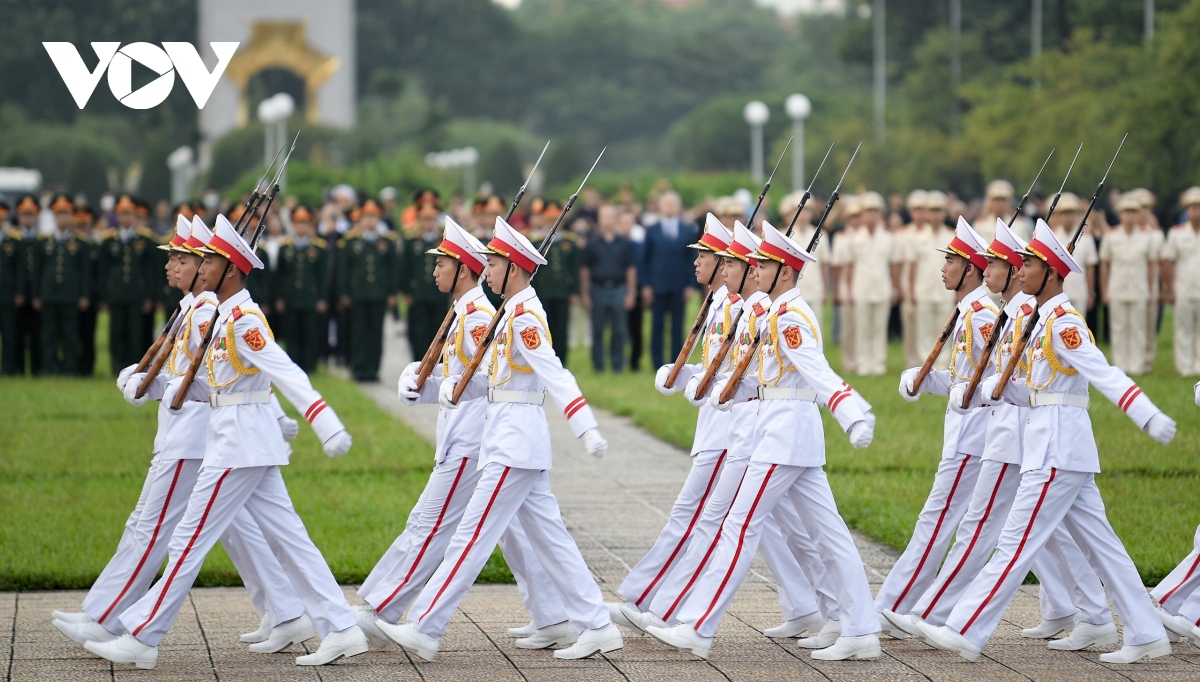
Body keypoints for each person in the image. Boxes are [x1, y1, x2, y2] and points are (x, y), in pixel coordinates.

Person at [87, 214, 368, 669]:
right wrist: (147, 385)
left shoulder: (243, 320)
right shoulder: (222, 316)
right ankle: (341, 627)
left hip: (237, 448)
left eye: (208, 263)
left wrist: (325, 421)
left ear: (230, 270)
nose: (198, 270)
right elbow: (210, 387)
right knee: (292, 541)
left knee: (189, 540)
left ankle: (141, 636)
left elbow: (285, 372)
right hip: (242, 444)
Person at [54, 215, 313, 658]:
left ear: (206, 268)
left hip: (193, 438)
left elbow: (229, 377)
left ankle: (107, 617)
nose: (171, 266)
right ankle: (288, 612)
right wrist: (140, 378)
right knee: (237, 528)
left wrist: (148, 386)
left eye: (183, 259)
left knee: (151, 527)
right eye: (172, 258)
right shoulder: (192, 310)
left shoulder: (211, 314)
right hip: (202, 436)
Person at [920, 218, 1177, 664]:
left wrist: (1146, 415)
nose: (1020, 270)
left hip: (1056, 449)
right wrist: (992, 391)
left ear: (1053, 273)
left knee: (1015, 542)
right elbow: (1042, 389)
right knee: (1104, 547)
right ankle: (1147, 632)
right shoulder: (1039, 321)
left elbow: (1102, 374)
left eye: (1030, 264)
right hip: (1056, 446)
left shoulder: (1063, 323)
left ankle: (965, 627)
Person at [379, 216, 621, 662]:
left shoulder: (526, 314)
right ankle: (598, 624)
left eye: (492, 264)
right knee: (551, 540)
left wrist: (585, 425)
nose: (485, 271)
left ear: (513, 268)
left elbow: (553, 370)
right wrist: (432, 388)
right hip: (509, 441)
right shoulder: (509, 313)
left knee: (470, 536)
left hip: (515, 441)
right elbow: (484, 381)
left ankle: (426, 626)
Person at [648, 221, 880, 661]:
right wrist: (713, 385)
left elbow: (815, 371)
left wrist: (852, 412)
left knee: (738, 527)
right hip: (783, 433)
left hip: (783, 435)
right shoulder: (773, 312)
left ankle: (698, 626)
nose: (753, 270)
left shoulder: (790, 316)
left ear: (785, 273)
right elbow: (761, 378)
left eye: (763, 265)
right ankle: (862, 629)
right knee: (830, 535)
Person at [887, 219, 1117, 653]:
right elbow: (970, 378)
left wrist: (963, 392)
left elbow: (1002, 382)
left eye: (993, 263)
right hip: (1009, 432)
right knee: (1045, 531)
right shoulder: (1000, 315)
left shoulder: (1002, 317)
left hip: (1007, 433)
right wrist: (928, 381)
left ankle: (935, 613)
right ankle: (1085, 613)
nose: (984, 268)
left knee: (988, 529)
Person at [339, 199, 401, 382]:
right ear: (360, 218)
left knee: (376, 333)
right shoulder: (350, 241)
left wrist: (392, 293)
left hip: (379, 294)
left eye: (374, 217)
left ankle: (373, 369)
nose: (370, 221)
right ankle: (359, 368)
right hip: (357, 294)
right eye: (367, 217)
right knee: (358, 333)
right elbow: (343, 270)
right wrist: (344, 293)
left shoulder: (387, 241)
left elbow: (393, 270)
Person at [840, 192, 902, 375]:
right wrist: (849, 290)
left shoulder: (889, 237)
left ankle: (878, 363)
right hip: (861, 287)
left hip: (882, 287)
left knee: (879, 328)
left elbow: (894, 266)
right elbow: (849, 267)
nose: (871, 215)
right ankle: (863, 363)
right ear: (863, 214)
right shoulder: (854, 238)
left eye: (875, 211)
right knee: (862, 327)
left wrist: (895, 288)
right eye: (867, 212)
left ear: (880, 214)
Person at [33, 194, 91, 375]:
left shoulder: (80, 242)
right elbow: (37, 271)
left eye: (66, 214)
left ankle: (69, 367)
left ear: (71, 216)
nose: (62, 218)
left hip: (70, 295)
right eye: (58, 214)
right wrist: (36, 294)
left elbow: (85, 272)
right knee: (49, 334)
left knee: (70, 334)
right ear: (54, 216)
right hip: (49, 294)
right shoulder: (44, 241)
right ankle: (49, 367)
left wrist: (84, 294)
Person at [99, 195, 157, 373]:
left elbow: (150, 271)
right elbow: (103, 270)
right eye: (122, 214)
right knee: (116, 332)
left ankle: (134, 367)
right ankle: (117, 366)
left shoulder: (145, 239)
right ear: (116, 216)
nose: (126, 218)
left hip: (136, 294)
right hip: (116, 294)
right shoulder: (109, 239)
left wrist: (149, 296)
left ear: (135, 215)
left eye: (129, 214)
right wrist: (104, 296)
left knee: (135, 333)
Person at [641, 191, 698, 368]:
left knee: (677, 327)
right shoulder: (652, 230)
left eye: (673, 204)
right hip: (657, 286)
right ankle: (657, 363)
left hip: (679, 286)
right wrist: (646, 285)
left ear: (679, 207)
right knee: (657, 326)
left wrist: (690, 285)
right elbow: (645, 260)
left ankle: (676, 362)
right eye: (666, 203)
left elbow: (692, 260)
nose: (669, 207)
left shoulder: (688, 230)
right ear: (660, 207)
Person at [1100, 193, 1154, 375]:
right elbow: (1104, 264)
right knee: (1119, 327)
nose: (1130, 216)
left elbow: (1151, 266)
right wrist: (1104, 290)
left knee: (1138, 328)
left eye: (1133, 212)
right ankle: (1121, 365)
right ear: (1120, 214)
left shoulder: (1147, 237)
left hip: (1139, 288)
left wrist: (1151, 289)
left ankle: (1137, 366)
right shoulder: (1111, 236)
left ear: (1139, 215)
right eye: (1126, 212)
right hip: (1117, 287)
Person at [580, 204, 636, 373]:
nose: (608, 220)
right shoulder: (592, 243)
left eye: (611, 216)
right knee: (597, 330)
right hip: (598, 289)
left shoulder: (624, 243)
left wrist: (631, 293)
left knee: (619, 331)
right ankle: (599, 366)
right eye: (604, 216)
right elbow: (584, 270)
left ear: (615, 219)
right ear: (599, 219)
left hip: (619, 289)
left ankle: (617, 365)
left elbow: (631, 269)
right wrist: (585, 294)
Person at [274, 206, 330, 373]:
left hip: (310, 298)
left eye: (304, 223)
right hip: (291, 297)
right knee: (292, 333)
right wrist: (279, 297)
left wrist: (322, 298)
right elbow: (279, 275)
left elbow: (324, 276)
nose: (301, 227)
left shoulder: (319, 247)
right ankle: (293, 363)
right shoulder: (285, 246)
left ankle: (310, 364)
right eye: (297, 223)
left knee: (310, 333)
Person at [910, 191, 959, 371]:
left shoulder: (952, 237)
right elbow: (913, 266)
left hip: (945, 290)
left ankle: (943, 364)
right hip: (924, 288)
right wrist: (911, 290)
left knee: (944, 329)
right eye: (932, 210)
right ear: (927, 213)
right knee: (924, 329)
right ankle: (926, 364)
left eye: (939, 210)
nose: (935, 214)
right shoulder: (918, 236)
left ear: (944, 213)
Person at [398, 192, 448, 364]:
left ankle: (437, 364)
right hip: (417, 293)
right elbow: (404, 268)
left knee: (438, 330)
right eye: (425, 219)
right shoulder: (410, 240)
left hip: (439, 293)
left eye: (431, 219)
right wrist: (406, 291)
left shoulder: (444, 240)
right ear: (418, 220)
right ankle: (419, 363)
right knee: (418, 331)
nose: (428, 223)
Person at [532, 201, 579, 366]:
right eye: (549, 219)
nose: (553, 222)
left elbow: (575, 268)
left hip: (562, 292)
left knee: (561, 329)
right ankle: (546, 362)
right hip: (543, 292)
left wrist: (575, 291)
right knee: (545, 329)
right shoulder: (537, 241)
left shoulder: (569, 241)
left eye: (556, 219)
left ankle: (561, 362)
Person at [1162, 186, 1200, 375]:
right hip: (1184, 286)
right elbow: (1168, 262)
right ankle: (1185, 367)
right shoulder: (1177, 233)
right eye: (1193, 207)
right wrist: (1170, 288)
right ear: (1186, 210)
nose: (1197, 211)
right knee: (1184, 328)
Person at [899, 190, 927, 367]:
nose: (919, 213)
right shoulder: (903, 233)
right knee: (909, 325)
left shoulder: (929, 233)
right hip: (906, 282)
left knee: (926, 326)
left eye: (922, 209)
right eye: (916, 209)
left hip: (924, 284)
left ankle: (927, 362)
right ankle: (911, 362)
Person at [14, 195, 42, 374]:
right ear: (19, 217)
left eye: (32, 215)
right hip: (16, 294)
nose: (28, 219)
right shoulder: (12, 239)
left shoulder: (42, 240)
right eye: (25, 215)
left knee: (37, 333)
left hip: (37, 294)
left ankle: (37, 368)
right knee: (16, 333)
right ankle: (16, 368)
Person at [0, 201, 24, 375]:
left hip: (7, 294)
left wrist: (19, 293)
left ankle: (8, 368)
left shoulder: (13, 241)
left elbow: (20, 270)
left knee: (9, 335)